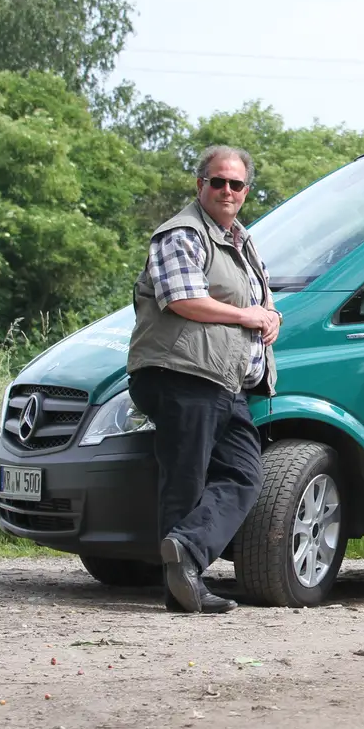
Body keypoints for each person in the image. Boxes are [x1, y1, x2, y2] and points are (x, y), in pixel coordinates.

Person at [126, 146, 281, 613]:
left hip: (225, 381)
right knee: (186, 480)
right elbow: (182, 299)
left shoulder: (241, 240)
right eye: (217, 181)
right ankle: (181, 590)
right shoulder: (182, 234)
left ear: (246, 191)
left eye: (236, 184)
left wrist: (271, 317)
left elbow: (260, 301)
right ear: (201, 185)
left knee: (246, 473)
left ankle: (186, 549)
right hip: (183, 374)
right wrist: (247, 316)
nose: (226, 190)